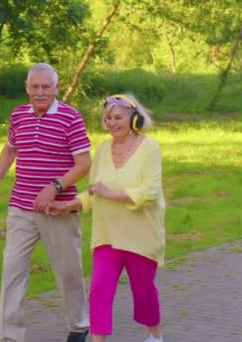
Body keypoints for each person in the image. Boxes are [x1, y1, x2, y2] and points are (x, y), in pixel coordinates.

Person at [0, 62, 91, 342]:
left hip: (59, 208)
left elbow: (84, 163)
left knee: (68, 271)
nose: (40, 92)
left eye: (46, 87)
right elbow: (10, 149)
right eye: (35, 87)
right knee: (12, 268)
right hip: (21, 206)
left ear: (56, 88)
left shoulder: (71, 117)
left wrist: (54, 188)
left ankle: (79, 326)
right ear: (27, 88)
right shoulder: (18, 115)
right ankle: (10, 336)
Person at [46, 94, 166, 342]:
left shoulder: (149, 147)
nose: (112, 122)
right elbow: (93, 191)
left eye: (118, 117)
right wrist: (69, 205)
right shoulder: (102, 149)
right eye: (108, 117)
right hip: (107, 235)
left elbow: (151, 192)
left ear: (134, 119)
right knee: (100, 289)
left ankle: (154, 335)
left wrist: (111, 193)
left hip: (140, 235)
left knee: (143, 291)